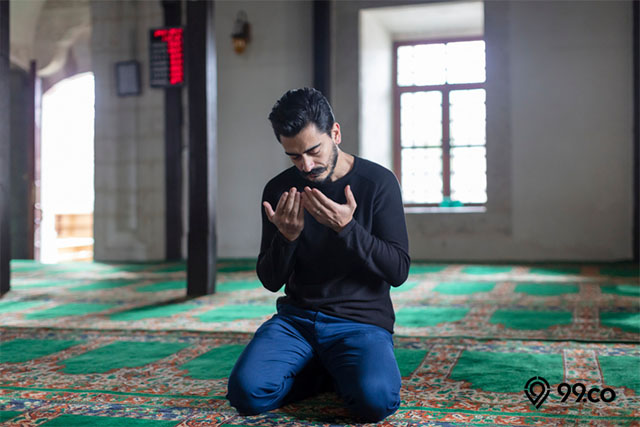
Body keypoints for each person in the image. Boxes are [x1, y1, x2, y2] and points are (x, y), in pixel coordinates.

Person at [226, 87, 410, 422]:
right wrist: (287, 238)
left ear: (335, 133)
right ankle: (328, 372)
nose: (307, 165)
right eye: (294, 156)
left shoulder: (378, 183)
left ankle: (335, 370)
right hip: (297, 320)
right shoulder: (279, 190)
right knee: (246, 394)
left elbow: (398, 271)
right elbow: (270, 280)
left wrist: (347, 228)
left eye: (314, 151)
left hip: (361, 322)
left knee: (375, 403)